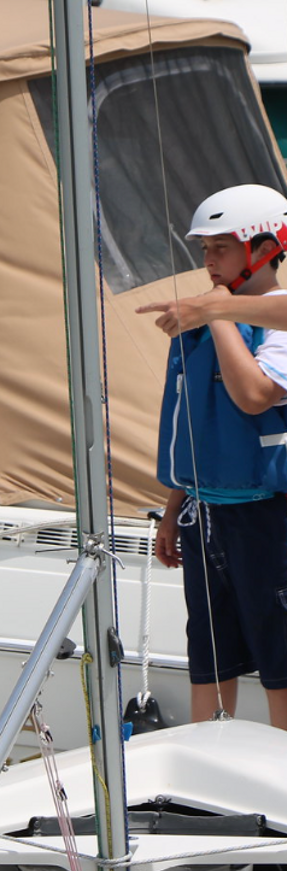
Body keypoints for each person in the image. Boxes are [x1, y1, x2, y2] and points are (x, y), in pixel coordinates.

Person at [152, 184, 287, 730]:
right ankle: (206, 767)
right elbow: (195, 427)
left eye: (222, 247)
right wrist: (171, 509)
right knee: (209, 653)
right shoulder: (200, 319)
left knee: (280, 658)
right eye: (204, 249)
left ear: (263, 247)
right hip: (203, 512)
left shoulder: (276, 320)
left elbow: (254, 395)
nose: (209, 261)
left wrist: (218, 314)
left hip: (266, 518)